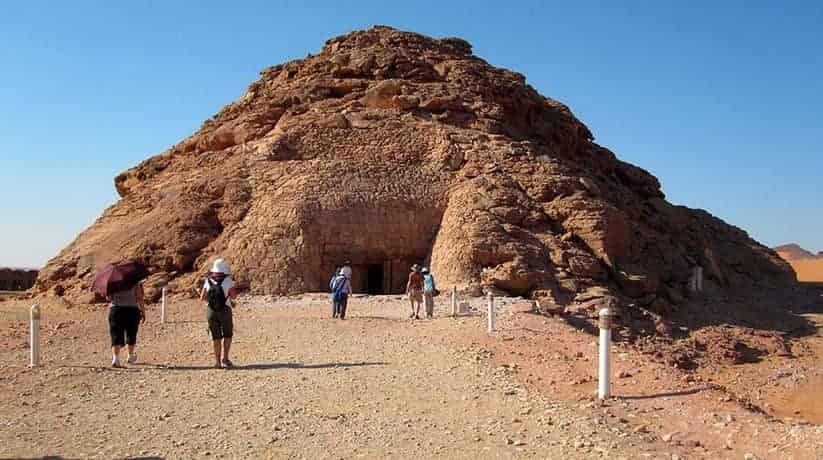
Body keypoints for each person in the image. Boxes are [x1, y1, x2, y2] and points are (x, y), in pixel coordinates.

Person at [199, 258, 238, 368]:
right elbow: (234, 296)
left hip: (211, 311)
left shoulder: (208, 280)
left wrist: (212, 303)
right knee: (227, 335)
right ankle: (225, 359)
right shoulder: (228, 280)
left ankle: (217, 362)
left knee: (216, 338)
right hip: (225, 310)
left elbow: (202, 297)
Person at [107, 281, 146, 368]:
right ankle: (130, 355)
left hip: (115, 309)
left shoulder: (112, 281)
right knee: (131, 332)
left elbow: (109, 298)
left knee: (115, 334)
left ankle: (116, 359)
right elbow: (139, 297)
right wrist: (143, 311)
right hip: (132, 309)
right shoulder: (135, 281)